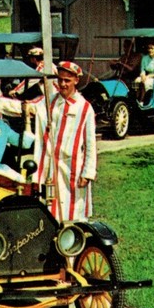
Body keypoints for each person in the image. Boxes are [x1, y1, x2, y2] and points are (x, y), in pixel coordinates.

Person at [34, 61, 98, 222]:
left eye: (67, 80)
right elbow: (32, 108)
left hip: (73, 167)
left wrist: (88, 172)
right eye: (60, 79)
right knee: (50, 205)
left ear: (76, 80)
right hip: (52, 166)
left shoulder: (85, 108)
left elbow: (90, 144)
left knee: (73, 207)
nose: (62, 84)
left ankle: (73, 239)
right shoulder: (50, 102)